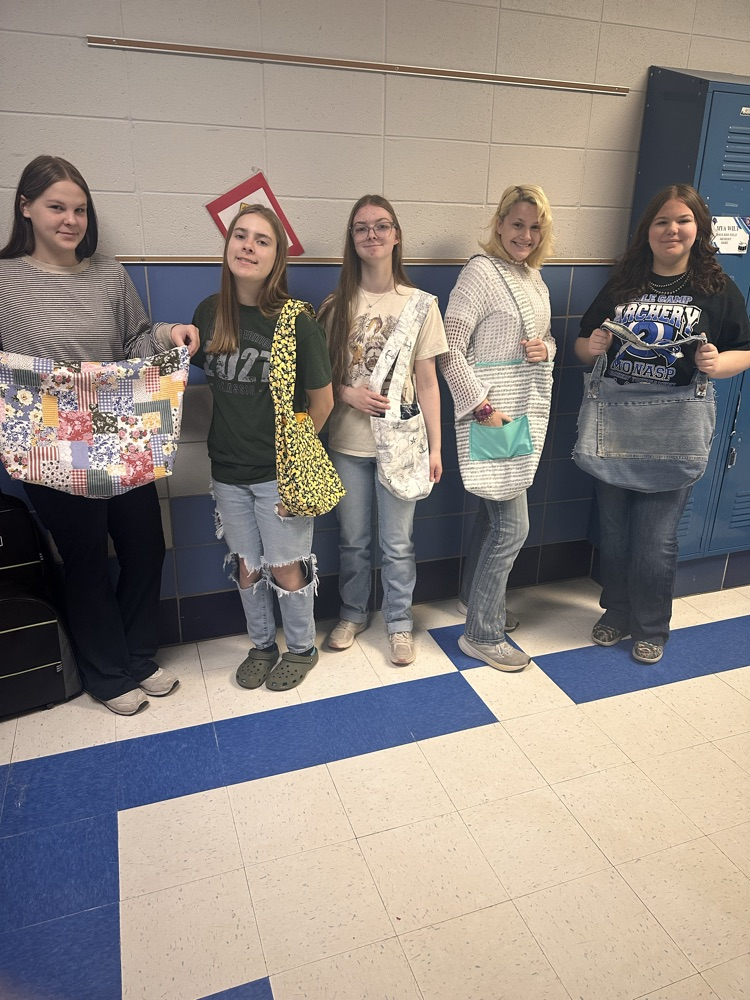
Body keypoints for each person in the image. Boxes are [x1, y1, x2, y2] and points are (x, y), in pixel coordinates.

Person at [0, 155, 199, 715]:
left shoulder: (108, 274)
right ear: (26, 208)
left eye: (80, 209)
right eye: (56, 207)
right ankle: (107, 674)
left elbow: (136, 339)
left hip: (118, 428)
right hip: (48, 439)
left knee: (145, 546)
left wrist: (171, 334)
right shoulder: (4, 278)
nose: (71, 220)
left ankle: (137, 657)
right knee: (86, 559)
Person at [575, 183, 750, 664]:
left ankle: (651, 626)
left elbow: (745, 350)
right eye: (662, 221)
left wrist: (719, 363)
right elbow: (584, 344)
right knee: (614, 535)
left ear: (698, 228)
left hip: (676, 426)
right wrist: (591, 347)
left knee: (655, 541)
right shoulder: (622, 285)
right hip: (615, 423)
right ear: (647, 230)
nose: (673, 229)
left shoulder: (716, 288)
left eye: (683, 220)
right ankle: (616, 612)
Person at [191, 205, 333, 691]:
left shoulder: (297, 322)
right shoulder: (210, 313)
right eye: (240, 236)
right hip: (226, 470)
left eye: (262, 240)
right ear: (228, 245)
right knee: (247, 566)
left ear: (277, 258)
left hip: (278, 473)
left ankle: (302, 648)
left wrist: (295, 464)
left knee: (287, 567)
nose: (248, 246)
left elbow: (322, 402)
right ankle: (262, 645)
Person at [319, 195, 447, 666]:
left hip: (404, 446)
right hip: (348, 443)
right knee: (352, 540)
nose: (371, 234)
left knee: (398, 543)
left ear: (396, 236)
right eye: (361, 228)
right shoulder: (336, 306)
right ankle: (352, 613)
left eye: (381, 226)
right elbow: (319, 379)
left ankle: (398, 622)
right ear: (352, 239)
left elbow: (428, 382)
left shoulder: (421, 305)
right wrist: (347, 394)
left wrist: (436, 447)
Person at [440, 184, 556, 671]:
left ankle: (475, 600)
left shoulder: (534, 278)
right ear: (500, 224)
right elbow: (448, 347)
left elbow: (543, 336)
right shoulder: (480, 273)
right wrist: (481, 407)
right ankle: (482, 634)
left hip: (519, 412)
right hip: (493, 415)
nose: (525, 235)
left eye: (534, 227)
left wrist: (546, 349)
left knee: (493, 516)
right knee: (512, 526)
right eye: (517, 224)